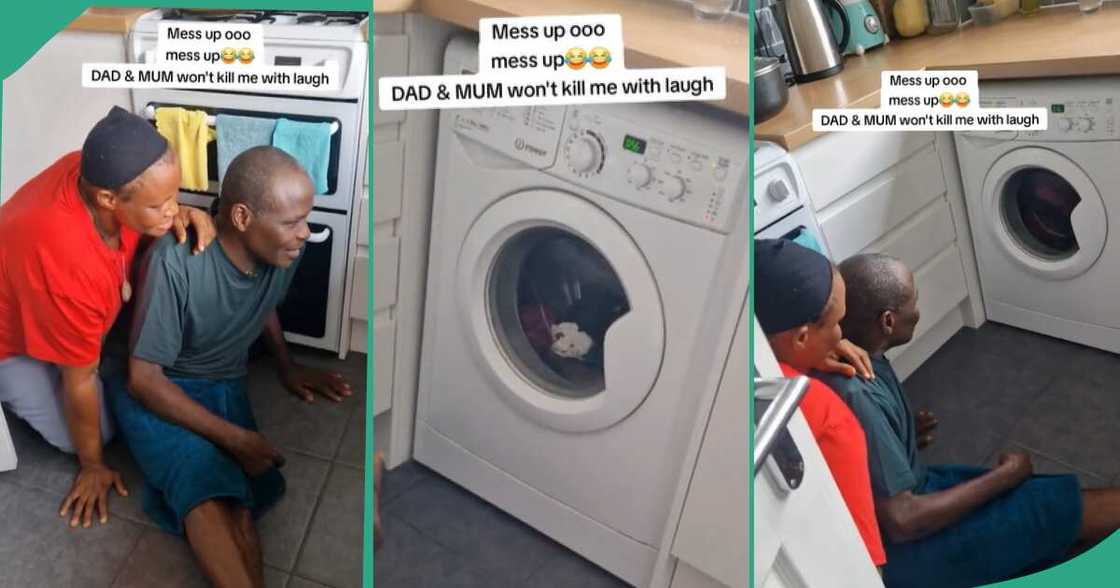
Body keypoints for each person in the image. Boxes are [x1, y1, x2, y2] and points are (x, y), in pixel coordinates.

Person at [105, 146, 352, 588]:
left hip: (222, 383)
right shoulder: (175, 262)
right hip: (160, 389)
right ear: (241, 218)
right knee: (204, 488)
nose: (305, 233)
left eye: (305, 219)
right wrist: (237, 438)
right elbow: (143, 380)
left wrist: (287, 366)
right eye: (292, 222)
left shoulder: (280, 254)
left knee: (240, 498)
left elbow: (264, 306)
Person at [820, 252, 1120, 588]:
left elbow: (864, 452)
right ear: (888, 321)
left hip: (914, 494)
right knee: (1046, 508)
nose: (918, 310)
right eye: (914, 302)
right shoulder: (856, 391)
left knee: (1039, 498)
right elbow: (902, 521)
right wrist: (1006, 475)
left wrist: (900, 435)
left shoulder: (863, 355)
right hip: (904, 554)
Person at [0, 106, 216, 528]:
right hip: (10, 338)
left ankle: (85, 352)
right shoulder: (68, 268)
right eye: (161, 203)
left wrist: (179, 209)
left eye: (174, 195)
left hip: (49, 301)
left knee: (97, 374)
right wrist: (93, 465)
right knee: (93, 433)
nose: (173, 209)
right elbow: (78, 379)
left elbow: (154, 199)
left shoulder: (96, 169)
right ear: (108, 200)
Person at [754, 238, 886, 568]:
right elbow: (866, 567)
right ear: (800, 336)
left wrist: (802, 356)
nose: (841, 336)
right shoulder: (824, 411)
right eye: (836, 323)